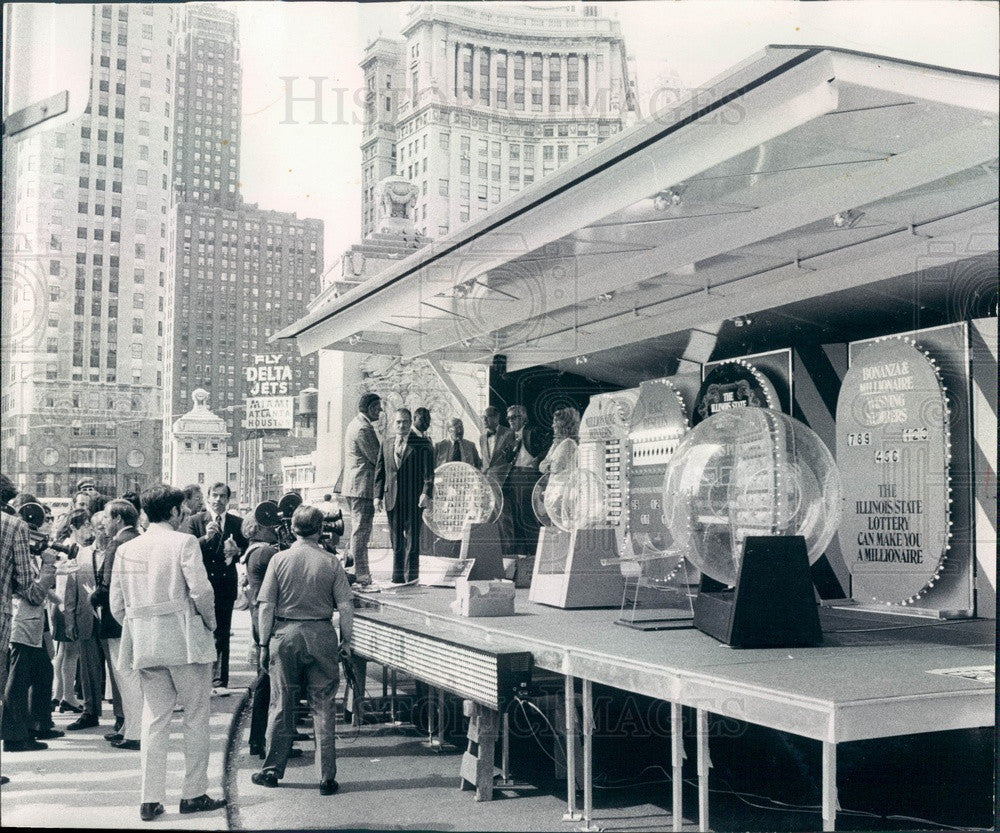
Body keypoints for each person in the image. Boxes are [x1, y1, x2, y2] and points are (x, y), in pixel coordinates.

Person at [110, 484, 226, 822]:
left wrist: (140, 624)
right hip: (186, 642)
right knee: (195, 718)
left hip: (146, 644)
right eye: (182, 510)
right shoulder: (184, 542)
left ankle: (150, 798)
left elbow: (117, 606)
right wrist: (211, 623)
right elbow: (202, 591)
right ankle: (193, 793)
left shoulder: (127, 549)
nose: (185, 514)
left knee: (154, 719)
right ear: (174, 512)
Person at [251, 505, 354, 795]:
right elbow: (345, 606)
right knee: (323, 705)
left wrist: (262, 642)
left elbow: (266, 605)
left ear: (293, 528)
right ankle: (326, 777)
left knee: (282, 703)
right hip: (321, 634)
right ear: (321, 529)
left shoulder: (279, 560)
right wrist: (346, 640)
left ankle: (271, 771)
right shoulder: (331, 562)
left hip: (285, 636)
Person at [1, 482, 59, 758]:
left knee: (39, 672)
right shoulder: (14, 528)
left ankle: (34, 725)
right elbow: (30, 590)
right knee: (17, 680)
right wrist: (48, 564)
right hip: (20, 621)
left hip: (23, 622)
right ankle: (16, 734)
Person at [180, 482, 247, 694]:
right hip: (202, 582)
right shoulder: (195, 521)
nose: (218, 500)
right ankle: (200, 679)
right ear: (208, 498)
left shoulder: (237, 522)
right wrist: (206, 538)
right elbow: (187, 548)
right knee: (199, 630)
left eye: (223, 497)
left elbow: (245, 549)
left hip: (226, 582)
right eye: (215, 496)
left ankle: (220, 680)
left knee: (223, 631)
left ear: (229, 500)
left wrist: (238, 551)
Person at [91, 499, 144, 748]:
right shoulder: (139, 538)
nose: (104, 523)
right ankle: (128, 726)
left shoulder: (116, 545)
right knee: (134, 676)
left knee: (126, 677)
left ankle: (134, 731)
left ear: (119, 519)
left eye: (107, 518)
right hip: (138, 615)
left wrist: (93, 596)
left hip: (115, 619)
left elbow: (107, 585)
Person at [374, 408, 435, 584]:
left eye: (405, 422)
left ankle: (412, 578)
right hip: (392, 498)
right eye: (399, 422)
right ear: (394, 424)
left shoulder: (421, 444)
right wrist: (377, 496)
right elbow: (380, 471)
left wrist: (425, 493)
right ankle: (397, 577)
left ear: (411, 423)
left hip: (413, 499)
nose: (402, 425)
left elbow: (428, 474)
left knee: (412, 539)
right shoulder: (386, 443)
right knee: (396, 540)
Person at [240, 515, 280, 758]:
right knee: (269, 684)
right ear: (259, 528)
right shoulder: (265, 552)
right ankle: (264, 740)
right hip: (268, 621)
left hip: (258, 617)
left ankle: (258, 739)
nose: (276, 528)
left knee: (265, 682)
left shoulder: (253, 551)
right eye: (270, 525)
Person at [63, 509, 106, 732]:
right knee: (88, 669)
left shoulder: (118, 553)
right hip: (86, 619)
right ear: (92, 529)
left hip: (111, 621)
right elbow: (71, 590)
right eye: (100, 528)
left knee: (116, 669)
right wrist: (69, 619)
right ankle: (90, 712)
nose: (104, 533)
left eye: (107, 527)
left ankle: (121, 715)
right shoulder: (81, 554)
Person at [340, 392, 383, 587]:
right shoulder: (364, 429)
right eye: (377, 408)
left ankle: (351, 568)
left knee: (358, 529)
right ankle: (361, 573)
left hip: (353, 487)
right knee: (361, 531)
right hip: (363, 488)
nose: (380, 411)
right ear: (368, 408)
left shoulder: (354, 424)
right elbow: (378, 458)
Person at [500, 405, 550, 559]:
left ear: (523, 418)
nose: (510, 421)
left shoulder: (533, 431)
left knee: (527, 518)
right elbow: (507, 458)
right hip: (513, 477)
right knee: (515, 519)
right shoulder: (512, 436)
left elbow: (548, 446)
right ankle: (521, 557)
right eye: (508, 418)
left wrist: (538, 460)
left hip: (528, 477)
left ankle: (534, 556)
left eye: (514, 417)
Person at [479, 406, 515, 476]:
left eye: (487, 417)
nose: (484, 420)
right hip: (486, 478)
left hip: (503, 478)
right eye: (483, 417)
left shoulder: (508, 433)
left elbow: (511, 459)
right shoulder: (482, 438)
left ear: (496, 417)